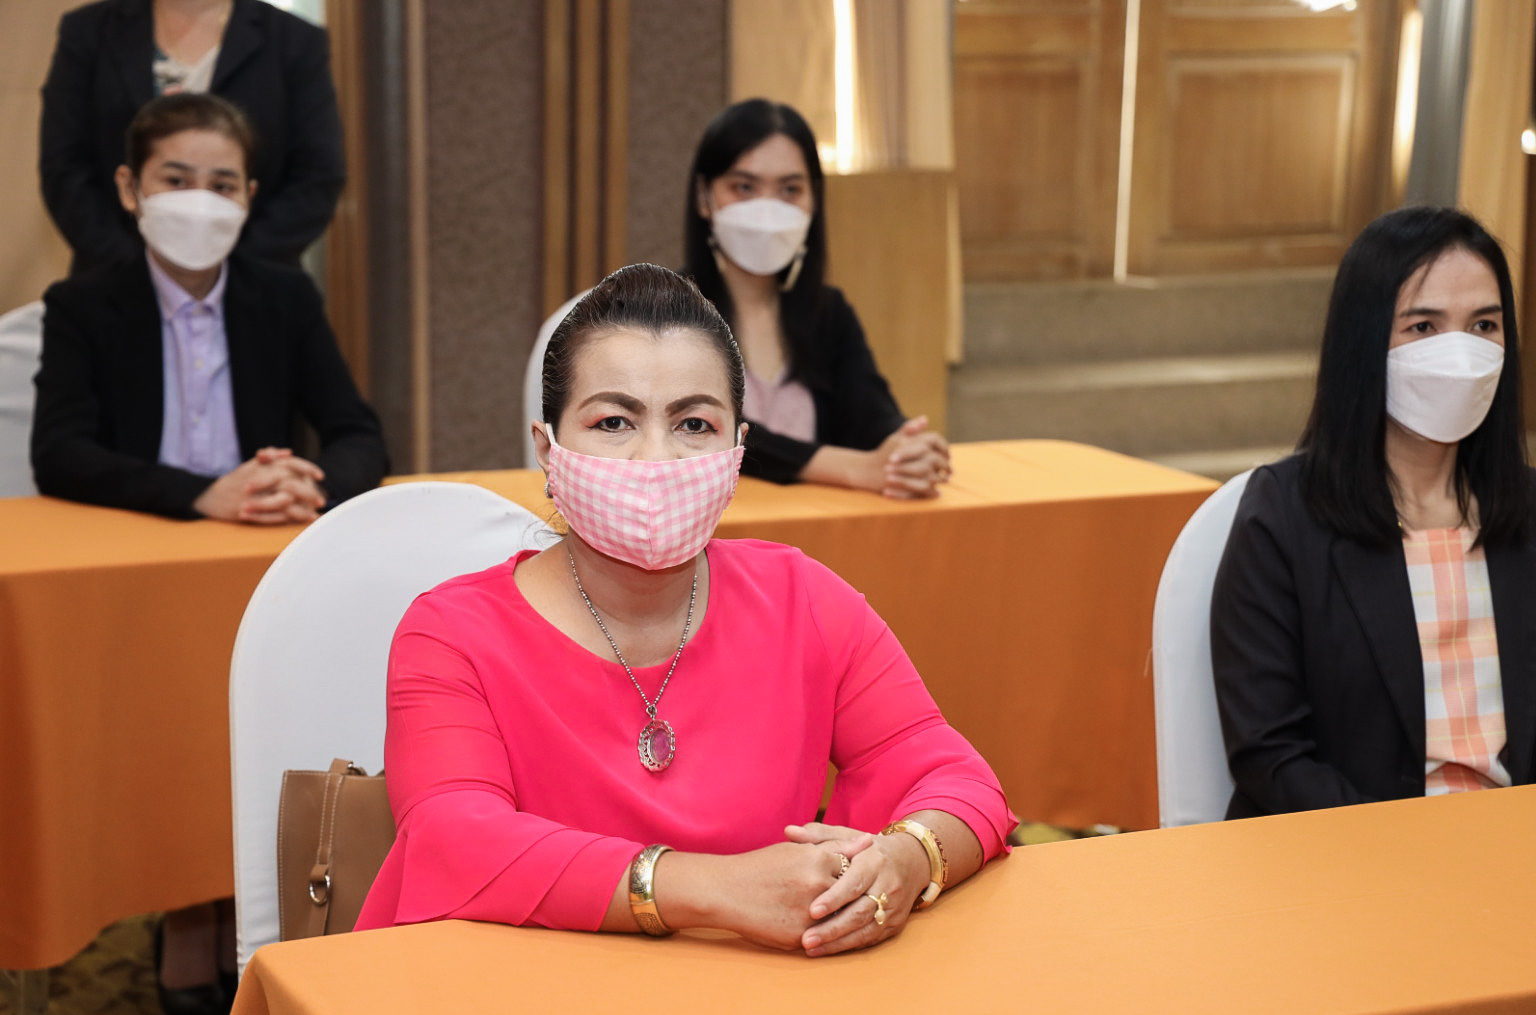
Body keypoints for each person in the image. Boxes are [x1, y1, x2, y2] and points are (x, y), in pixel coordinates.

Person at [356, 263, 1012, 955]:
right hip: (515, 997)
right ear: (548, 450)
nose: (655, 459)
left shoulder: (803, 599)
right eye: (613, 421)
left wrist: (907, 860)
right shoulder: (451, 633)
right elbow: (454, 840)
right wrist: (712, 889)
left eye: (694, 424)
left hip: (753, 1001)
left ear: (737, 452)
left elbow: (957, 778)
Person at [1210, 206, 1536, 819]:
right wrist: (1406, 853)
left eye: (1484, 325)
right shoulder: (1281, 516)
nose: (1460, 354)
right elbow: (1271, 755)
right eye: (1424, 327)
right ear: (1364, 342)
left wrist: (1535, 835)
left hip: (1513, 846)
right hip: (1344, 850)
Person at [32, 91, 386, 525]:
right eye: (176, 181)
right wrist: (200, 494)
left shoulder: (286, 298)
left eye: (222, 186)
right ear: (129, 188)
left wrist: (312, 486)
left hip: (259, 528)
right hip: (136, 529)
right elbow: (59, 453)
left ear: (248, 197)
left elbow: (358, 435)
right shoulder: (80, 305)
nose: (200, 204)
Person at [684, 98, 950, 498]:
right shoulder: (665, 314)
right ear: (704, 197)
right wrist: (849, 468)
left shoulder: (828, 312)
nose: (768, 210)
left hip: (818, 532)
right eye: (744, 187)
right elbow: (708, 433)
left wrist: (907, 449)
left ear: (813, 201)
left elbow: (871, 417)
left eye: (790, 190)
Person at [39, 0, 345, 274]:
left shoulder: (295, 39)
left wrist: (230, 275)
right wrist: (136, 273)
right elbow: (64, 165)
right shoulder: (89, 31)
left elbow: (318, 173)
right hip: (113, 280)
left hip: (256, 285)